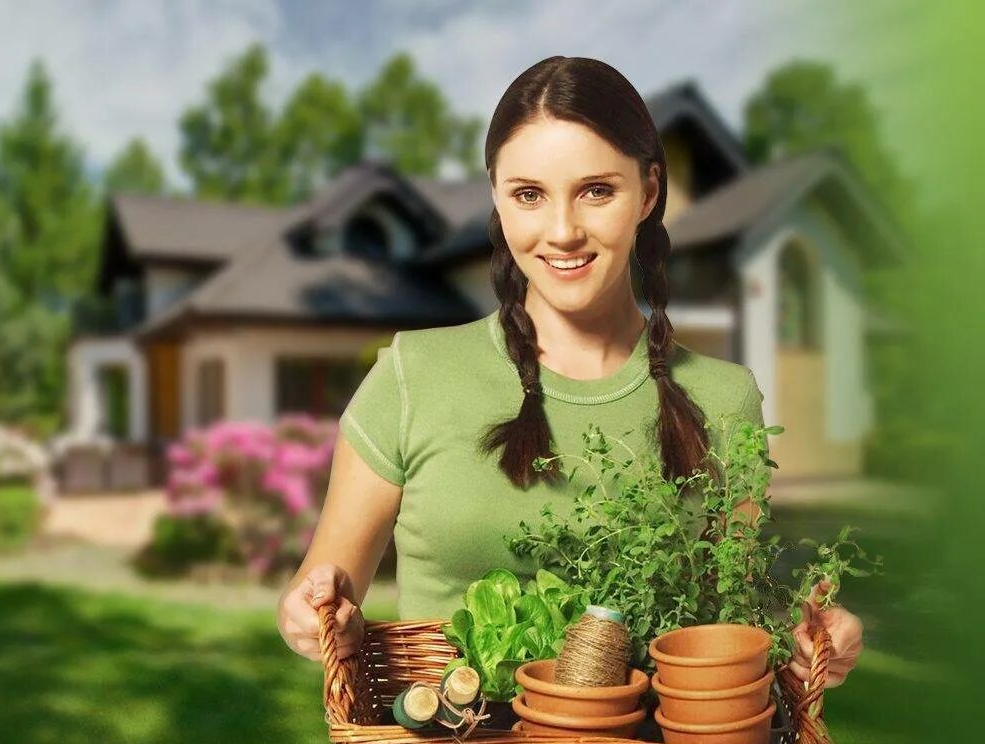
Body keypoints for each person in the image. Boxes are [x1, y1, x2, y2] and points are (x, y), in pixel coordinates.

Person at [277, 56, 863, 689]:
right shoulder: (412, 377)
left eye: (596, 191)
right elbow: (323, 593)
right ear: (497, 201)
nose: (562, 232)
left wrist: (805, 649)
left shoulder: (724, 399)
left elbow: (732, 628)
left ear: (650, 192)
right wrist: (315, 616)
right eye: (528, 195)